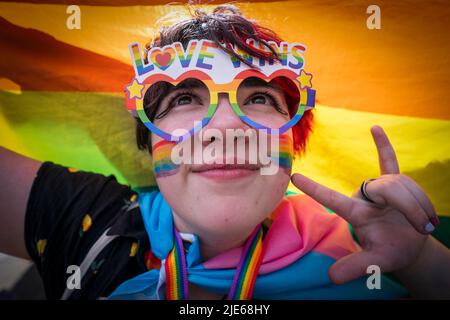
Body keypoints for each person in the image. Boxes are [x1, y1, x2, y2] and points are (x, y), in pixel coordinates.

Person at [1, 5, 449, 300]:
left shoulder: (361, 253)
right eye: (182, 99)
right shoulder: (89, 220)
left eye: (258, 99)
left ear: (296, 137)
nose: (226, 125)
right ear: (148, 140)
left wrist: (422, 261)